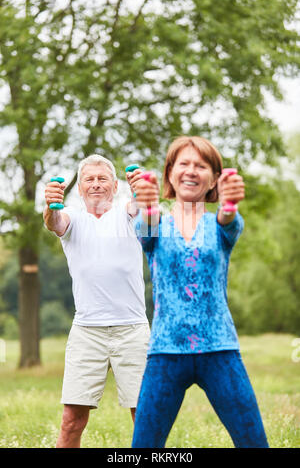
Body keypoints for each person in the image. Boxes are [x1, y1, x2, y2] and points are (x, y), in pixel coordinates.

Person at [126, 136, 269, 448]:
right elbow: (145, 227)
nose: (191, 171)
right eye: (184, 164)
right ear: (170, 174)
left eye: (201, 166)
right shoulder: (155, 224)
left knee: (254, 443)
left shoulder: (221, 226)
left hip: (219, 350)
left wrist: (230, 203)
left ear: (214, 180)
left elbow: (228, 218)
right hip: (166, 352)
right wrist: (148, 206)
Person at [44, 154, 150, 448]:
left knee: (145, 417)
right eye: (89, 179)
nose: (95, 184)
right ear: (79, 188)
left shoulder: (127, 213)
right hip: (87, 332)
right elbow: (55, 222)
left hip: (132, 330)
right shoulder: (72, 218)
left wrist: (142, 190)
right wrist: (50, 204)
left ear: (115, 186)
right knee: (71, 421)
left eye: (102, 179)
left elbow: (142, 208)